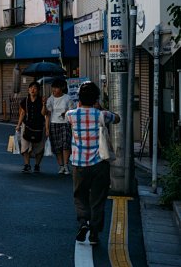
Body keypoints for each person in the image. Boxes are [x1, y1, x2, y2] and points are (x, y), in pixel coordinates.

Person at [66, 81, 120, 245]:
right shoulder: (102, 115)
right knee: (98, 199)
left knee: (80, 196)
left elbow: (68, 118)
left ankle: (83, 222)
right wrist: (100, 107)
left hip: (79, 164)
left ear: (79, 99)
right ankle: (95, 235)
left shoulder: (71, 115)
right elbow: (117, 118)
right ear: (96, 99)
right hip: (99, 163)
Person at [15, 81, 48, 173]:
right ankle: (27, 165)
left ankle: (37, 165)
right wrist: (18, 125)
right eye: (31, 88)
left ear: (38, 91)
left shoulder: (42, 100)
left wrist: (44, 104)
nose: (32, 90)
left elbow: (43, 114)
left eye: (35, 88)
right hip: (27, 126)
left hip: (39, 126)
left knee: (39, 147)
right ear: (28, 89)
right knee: (25, 146)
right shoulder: (24, 101)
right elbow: (22, 113)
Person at [45, 79, 75, 175]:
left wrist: (66, 112)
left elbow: (72, 112)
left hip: (65, 123)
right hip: (54, 123)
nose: (54, 90)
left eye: (56, 88)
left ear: (62, 88)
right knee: (57, 146)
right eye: (53, 88)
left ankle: (66, 165)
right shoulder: (50, 99)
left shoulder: (67, 98)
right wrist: (47, 128)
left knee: (65, 144)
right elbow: (48, 115)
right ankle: (61, 166)